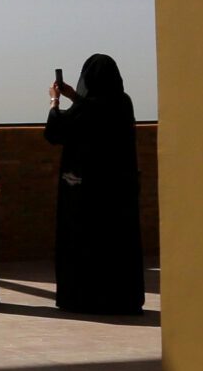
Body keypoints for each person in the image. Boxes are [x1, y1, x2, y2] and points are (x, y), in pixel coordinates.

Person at [46, 54, 146, 314]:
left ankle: (84, 298)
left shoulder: (85, 109)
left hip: (86, 196)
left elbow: (55, 131)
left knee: (85, 244)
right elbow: (97, 111)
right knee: (116, 247)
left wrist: (55, 100)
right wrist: (74, 98)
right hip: (118, 193)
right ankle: (121, 299)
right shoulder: (123, 104)